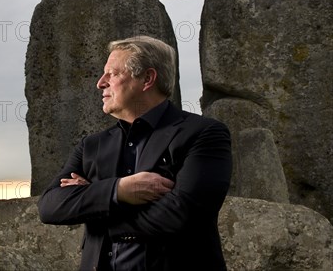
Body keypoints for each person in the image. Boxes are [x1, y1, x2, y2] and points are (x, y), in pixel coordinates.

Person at [38, 35, 232, 271]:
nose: (100, 83)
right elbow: (49, 206)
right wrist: (119, 190)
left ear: (147, 78)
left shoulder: (204, 133)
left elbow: (181, 214)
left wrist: (94, 204)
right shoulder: (91, 145)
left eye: (113, 74)